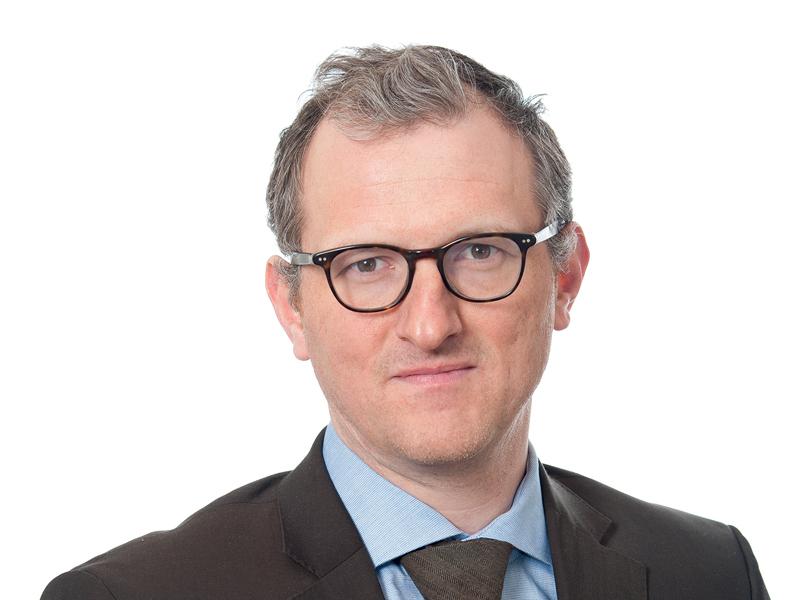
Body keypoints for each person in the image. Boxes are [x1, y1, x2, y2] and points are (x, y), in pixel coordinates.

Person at [41, 44, 769, 600]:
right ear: (291, 307)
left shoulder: (709, 573)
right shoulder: (132, 595)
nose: (429, 325)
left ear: (565, 279)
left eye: (480, 252)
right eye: (366, 264)